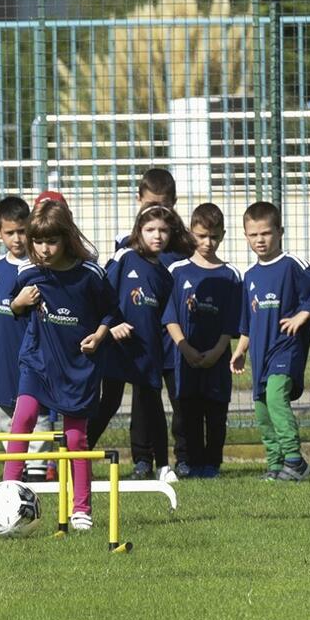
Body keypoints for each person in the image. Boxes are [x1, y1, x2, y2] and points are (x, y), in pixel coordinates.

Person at [4, 199, 117, 530]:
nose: (43, 248)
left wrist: (98, 335)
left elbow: (112, 310)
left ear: (67, 237)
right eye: (37, 241)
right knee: (23, 415)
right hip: (38, 360)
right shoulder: (28, 272)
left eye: (51, 241)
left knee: (75, 438)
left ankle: (81, 508)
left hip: (77, 366)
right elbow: (13, 307)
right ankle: (7, 492)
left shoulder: (91, 275)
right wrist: (18, 303)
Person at [230, 202, 310, 482]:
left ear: (280, 232)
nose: (260, 240)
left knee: (276, 398)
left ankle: (295, 460)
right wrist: (240, 350)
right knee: (262, 410)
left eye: (266, 233)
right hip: (259, 355)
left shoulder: (291, 265)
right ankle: (275, 465)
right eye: (253, 235)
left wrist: (303, 314)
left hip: (286, 349)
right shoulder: (250, 276)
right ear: (245, 236)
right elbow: (247, 323)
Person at [89, 205, 190, 482]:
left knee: (151, 403)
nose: (157, 235)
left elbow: (164, 315)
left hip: (147, 349)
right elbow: (101, 292)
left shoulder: (166, 276)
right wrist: (113, 324)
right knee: (108, 403)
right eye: (150, 230)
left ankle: (162, 466)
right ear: (139, 231)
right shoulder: (125, 257)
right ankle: (78, 455)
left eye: (163, 230)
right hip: (117, 346)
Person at [114, 169, 195, 478]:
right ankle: (142, 459)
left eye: (163, 205)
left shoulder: (184, 245)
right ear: (138, 201)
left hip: (174, 337)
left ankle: (184, 458)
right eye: (148, 205)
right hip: (142, 335)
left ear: (174, 203)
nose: (155, 214)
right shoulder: (128, 246)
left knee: (180, 397)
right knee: (143, 399)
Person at [163, 203, 242, 478]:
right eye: (201, 236)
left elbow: (233, 321)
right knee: (187, 411)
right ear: (191, 234)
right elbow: (169, 315)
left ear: (223, 235)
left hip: (216, 358)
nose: (208, 243)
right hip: (185, 356)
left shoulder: (231, 275)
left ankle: (212, 464)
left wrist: (218, 351)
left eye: (214, 236)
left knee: (216, 413)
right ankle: (188, 461)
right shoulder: (177, 271)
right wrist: (184, 346)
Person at [0, 196, 51, 480]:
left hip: (33, 357)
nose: (17, 238)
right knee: (6, 414)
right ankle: (14, 472)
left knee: (38, 412)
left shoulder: (38, 269)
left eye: (22, 231)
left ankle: (36, 470)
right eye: (10, 233)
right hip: (3, 357)